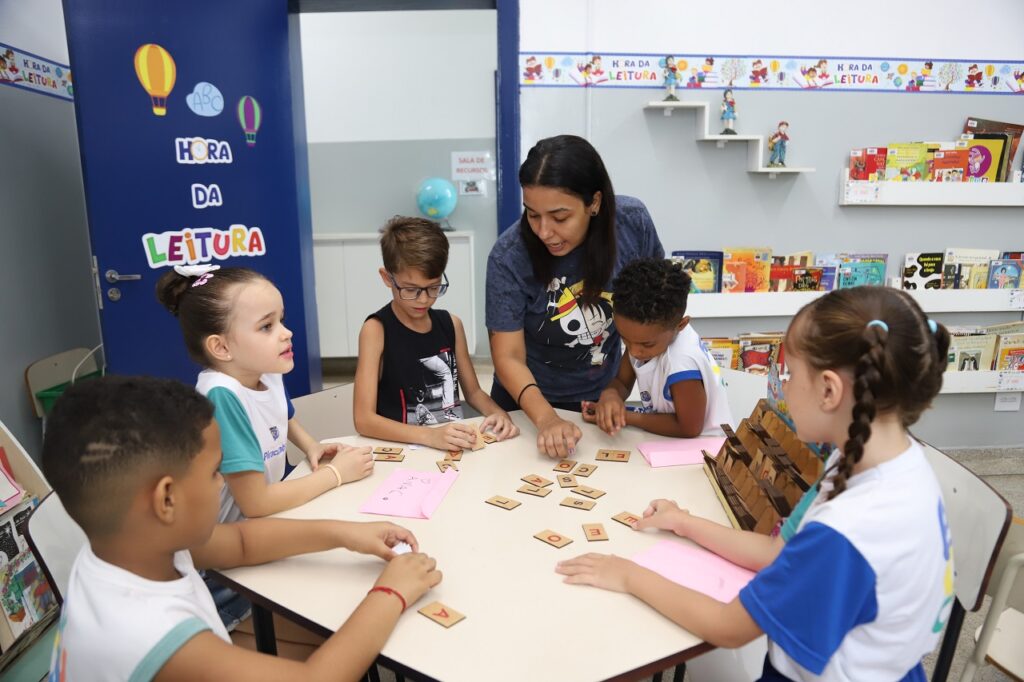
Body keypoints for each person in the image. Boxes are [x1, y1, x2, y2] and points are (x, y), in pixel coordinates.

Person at [557, 286, 953, 681]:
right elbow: (776, 553)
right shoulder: (885, 461)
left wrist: (627, 574)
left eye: (790, 373)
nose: (781, 386)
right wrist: (684, 522)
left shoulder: (844, 532)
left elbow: (728, 627)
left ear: (829, 390)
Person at [43, 375, 442, 681]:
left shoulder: (131, 545)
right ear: (166, 500)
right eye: (214, 472)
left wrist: (345, 533)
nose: (222, 482)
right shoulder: (151, 634)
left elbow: (241, 541)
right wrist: (391, 593)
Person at [486, 135, 664, 458]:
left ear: (594, 202)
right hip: (524, 405)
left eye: (559, 217)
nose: (544, 232)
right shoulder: (509, 256)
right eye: (532, 214)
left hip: (599, 399)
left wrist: (617, 388)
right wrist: (546, 419)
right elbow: (508, 356)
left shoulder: (631, 224)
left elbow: (652, 319)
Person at [157, 265, 373, 525]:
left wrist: (311, 445)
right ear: (221, 347)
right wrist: (335, 474)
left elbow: (282, 416)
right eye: (266, 326)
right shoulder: (222, 396)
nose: (287, 333)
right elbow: (256, 502)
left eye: (282, 320)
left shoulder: (264, 370)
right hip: (226, 533)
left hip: (262, 519)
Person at [354, 216, 518, 451]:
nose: (423, 299)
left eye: (433, 287)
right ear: (387, 278)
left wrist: (498, 413)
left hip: (452, 449)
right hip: (404, 453)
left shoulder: (451, 324)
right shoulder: (376, 330)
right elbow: (363, 420)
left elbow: (473, 392)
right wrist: (430, 436)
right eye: (411, 289)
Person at [582, 259, 732, 438]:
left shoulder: (681, 362)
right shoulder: (645, 336)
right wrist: (610, 395)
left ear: (681, 325)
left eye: (646, 344)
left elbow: (689, 429)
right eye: (625, 340)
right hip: (670, 440)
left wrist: (623, 416)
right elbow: (622, 381)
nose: (634, 351)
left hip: (706, 446)